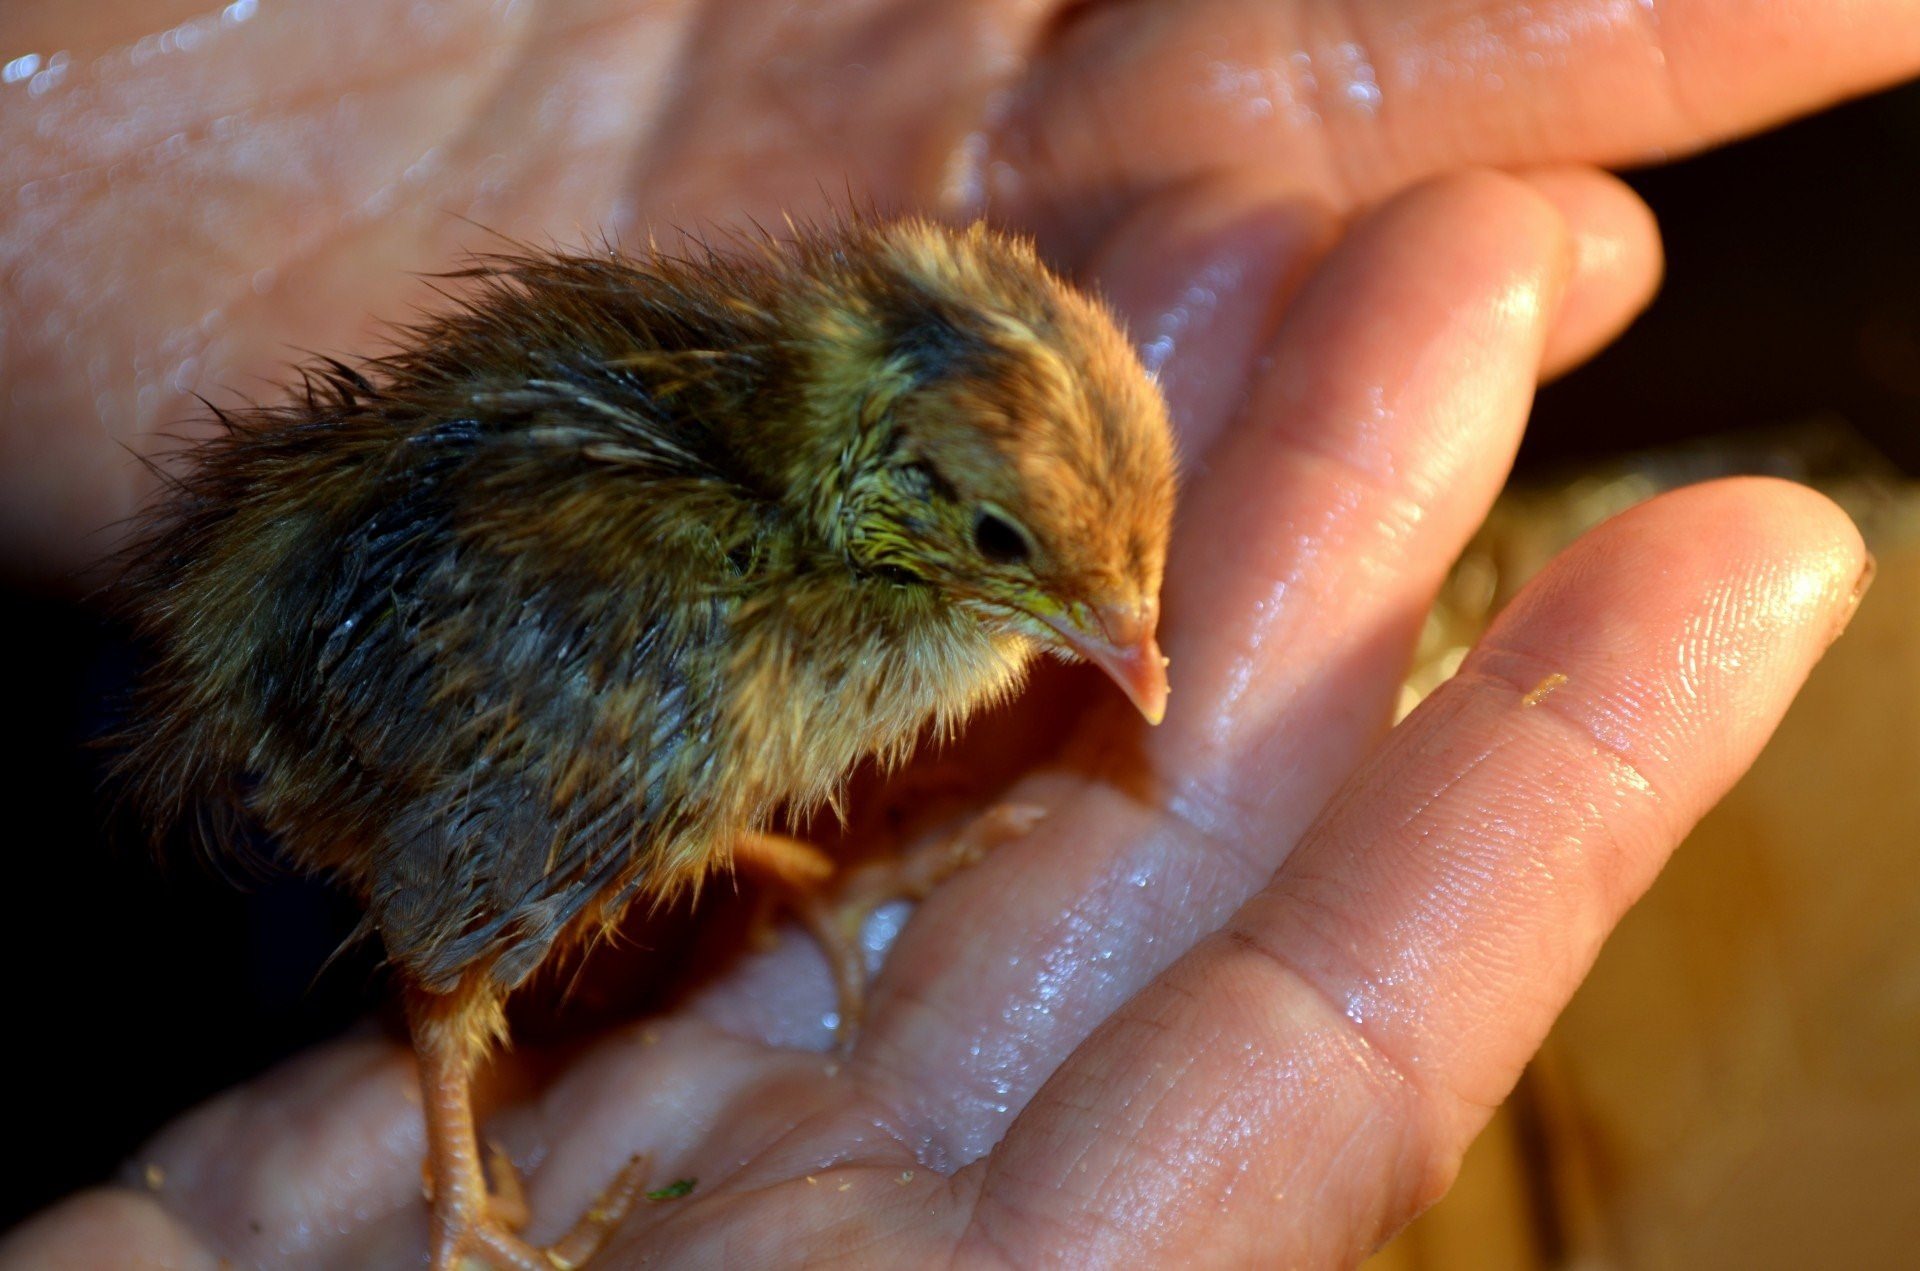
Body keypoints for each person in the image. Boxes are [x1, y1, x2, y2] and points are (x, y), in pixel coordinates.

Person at [0, 1, 1907, 1264]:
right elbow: (452, 825)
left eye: (1128, 571)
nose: (1120, 636)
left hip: (431, 599)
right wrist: (477, 1168)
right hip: (414, 700)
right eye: (1021, 549)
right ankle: (451, 1174)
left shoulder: (800, 443)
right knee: (535, 863)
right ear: (886, 496)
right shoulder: (692, 621)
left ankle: (732, 868)